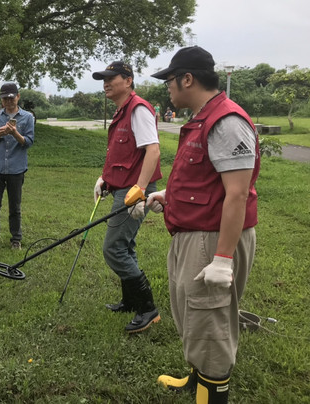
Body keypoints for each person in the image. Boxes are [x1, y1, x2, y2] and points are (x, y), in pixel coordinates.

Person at [148, 46, 260, 404]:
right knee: (193, 312)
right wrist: (170, 194)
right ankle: (198, 379)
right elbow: (208, 179)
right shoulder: (202, 117)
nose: (167, 87)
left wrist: (224, 258)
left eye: (169, 80)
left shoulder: (226, 121)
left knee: (209, 319)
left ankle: (212, 393)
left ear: (187, 78)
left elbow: (237, 195)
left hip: (213, 239)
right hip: (194, 232)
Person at [91, 61, 162, 333]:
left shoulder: (139, 109)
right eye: (103, 79)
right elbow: (123, 154)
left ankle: (147, 308)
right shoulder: (122, 110)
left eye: (112, 78)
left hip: (134, 189)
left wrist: (140, 190)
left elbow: (152, 151)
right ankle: (131, 300)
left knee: (114, 248)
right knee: (126, 244)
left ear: (128, 80)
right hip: (122, 187)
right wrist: (106, 179)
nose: (106, 83)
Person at [0, 83, 34, 250]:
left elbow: (28, 142)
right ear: (1, 99)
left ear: (18, 97)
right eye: (5, 98)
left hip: (16, 168)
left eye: (11, 97)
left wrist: (15, 133)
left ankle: (16, 240)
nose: (8, 101)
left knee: (15, 207)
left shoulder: (27, 117)